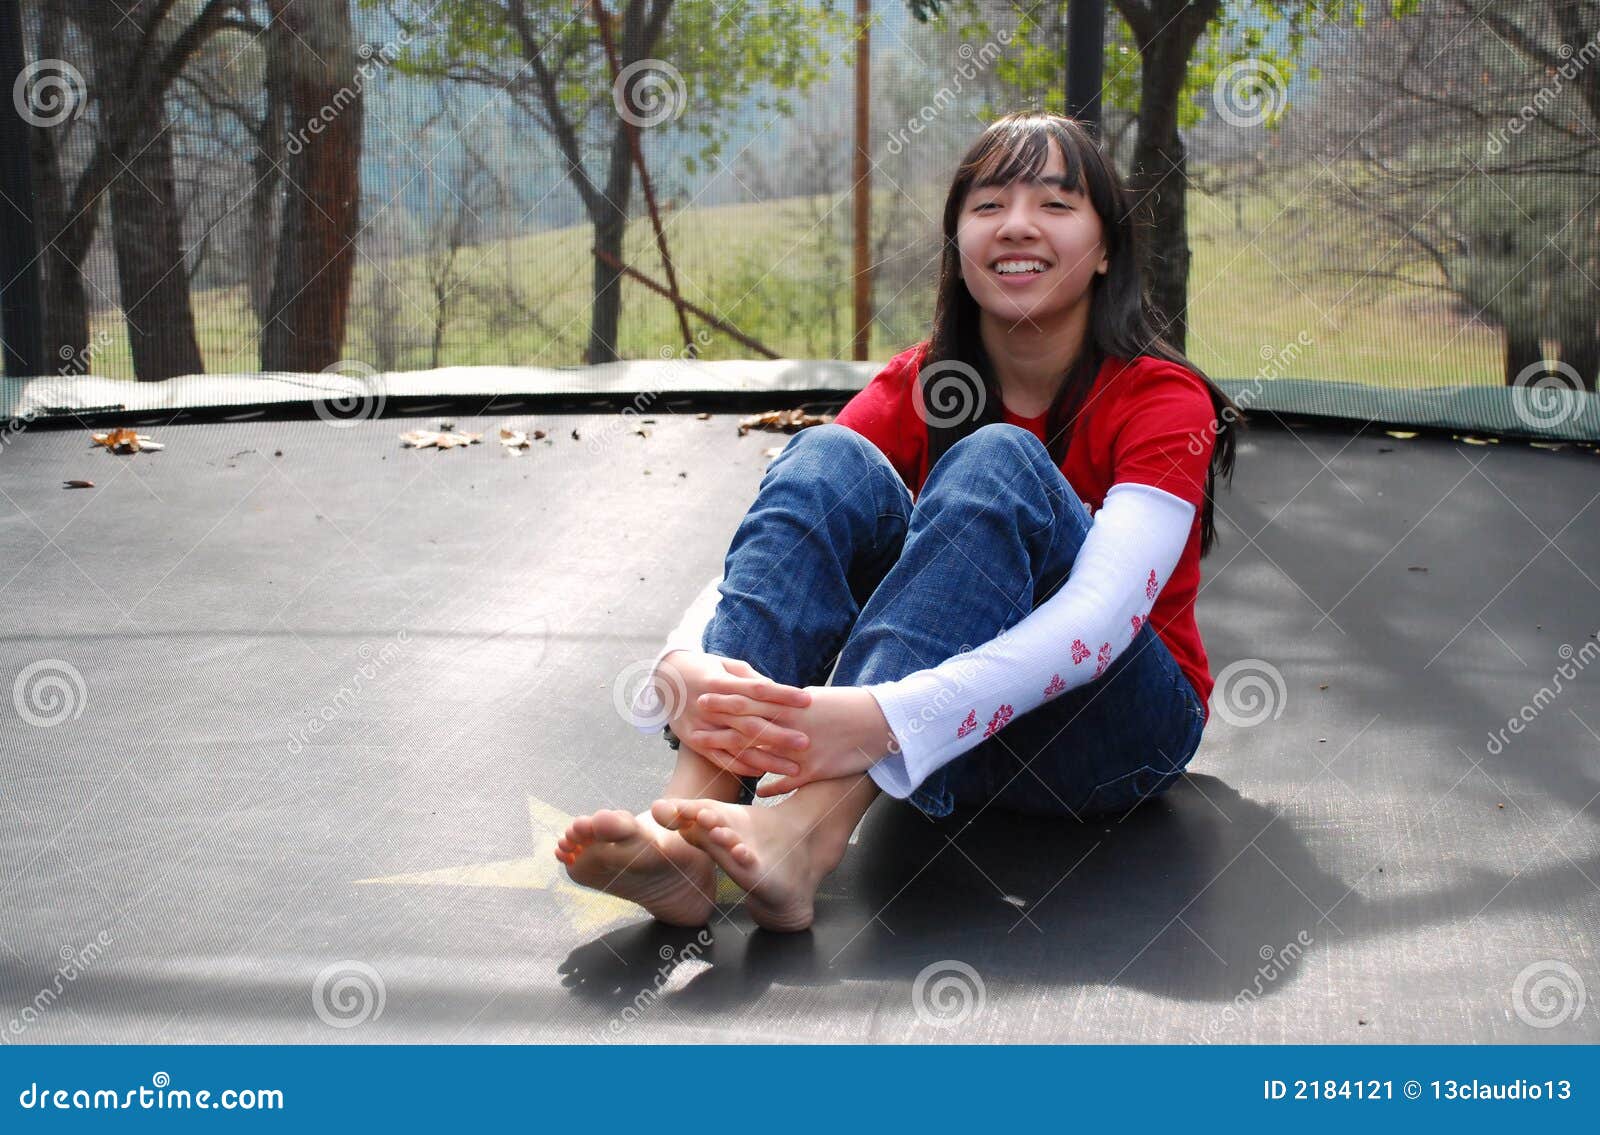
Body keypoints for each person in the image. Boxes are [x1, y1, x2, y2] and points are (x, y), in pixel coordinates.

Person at [554, 111, 1242, 932]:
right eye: (989, 205)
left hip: (1105, 738)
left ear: (1105, 250)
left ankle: (803, 836)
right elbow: (783, 538)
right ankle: (684, 834)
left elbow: (1096, 625)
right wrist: (684, 661)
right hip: (943, 743)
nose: (1017, 224)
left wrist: (881, 716)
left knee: (997, 460)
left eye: (1057, 204)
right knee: (823, 459)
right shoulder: (921, 382)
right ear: (957, 243)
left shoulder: (1163, 399)